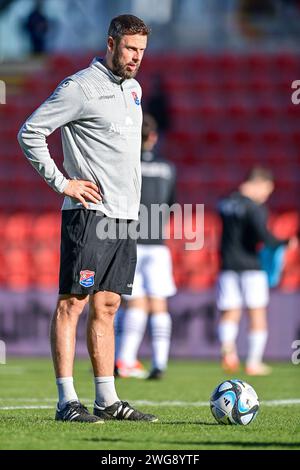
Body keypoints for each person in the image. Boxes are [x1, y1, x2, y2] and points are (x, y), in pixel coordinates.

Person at [18, 15, 158, 423]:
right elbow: (30, 131)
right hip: (89, 215)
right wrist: (63, 183)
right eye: (131, 49)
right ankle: (66, 402)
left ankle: (107, 400)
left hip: (125, 216)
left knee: (109, 306)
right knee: (73, 303)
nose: (136, 58)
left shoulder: (134, 90)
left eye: (142, 52)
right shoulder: (79, 87)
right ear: (111, 43)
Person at [217, 167, 296, 376]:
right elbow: (265, 238)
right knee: (257, 312)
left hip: (227, 265)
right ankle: (253, 362)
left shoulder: (225, 202)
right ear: (259, 183)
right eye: (267, 190)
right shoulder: (255, 208)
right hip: (251, 266)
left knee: (230, 311)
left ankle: (228, 351)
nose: (266, 195)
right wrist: (286, 242)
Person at [116, 114, 177, 380]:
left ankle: (125, 360)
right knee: (159, 304)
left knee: (134, 303)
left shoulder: (125, 164)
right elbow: (172, 205)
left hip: (130, 240)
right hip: (157, 244)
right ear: (153, 137)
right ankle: (160, 363)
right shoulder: (168, 167)